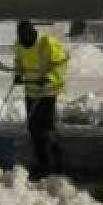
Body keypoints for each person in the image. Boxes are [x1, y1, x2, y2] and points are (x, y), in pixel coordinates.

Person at [14, 21, 68, 177]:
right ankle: (43, 162)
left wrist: (49, 77)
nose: (23, 40)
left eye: (25, 36)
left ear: (32, 33)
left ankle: (56, 157)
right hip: (31, 91)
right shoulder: (19, 44)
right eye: (21, 37)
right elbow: (19, 62)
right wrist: (18, 74)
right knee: (33, 128)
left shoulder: (47, 43)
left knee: (46, 127)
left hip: (47, 91)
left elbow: (61, 63)